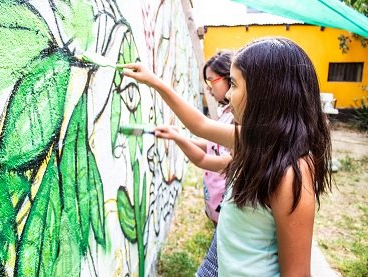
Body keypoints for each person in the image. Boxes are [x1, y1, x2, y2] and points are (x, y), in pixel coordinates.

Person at [122, 37, 332, 276]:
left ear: (265, 92)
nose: (229, 96)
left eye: (234, 84)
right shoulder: (258, 140)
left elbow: (296, 274)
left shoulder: (292, 172)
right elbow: (200, 125)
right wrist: (154, 82)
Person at [155, 51, 234, 225]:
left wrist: (179, 139)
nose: (208, 87)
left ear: (229, 77)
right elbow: (213, 147)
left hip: (228, 211)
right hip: (217, 204)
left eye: (211, 80)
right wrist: (178, 137)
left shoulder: (237, 121)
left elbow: (205, 158)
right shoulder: (225, 113)